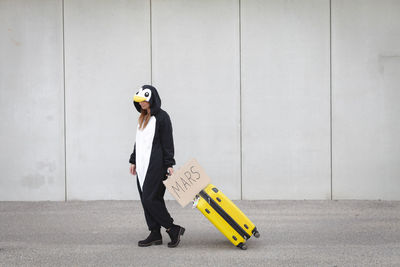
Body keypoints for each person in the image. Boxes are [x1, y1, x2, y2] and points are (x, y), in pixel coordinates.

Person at [129, 84, 185, 248]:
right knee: (146, 199)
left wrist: (169, 164)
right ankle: (154, 233)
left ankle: (172, 228)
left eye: (143, 101)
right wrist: (133, 160)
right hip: (142, 165)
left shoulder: (162, 117)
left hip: (156, 164)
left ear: (151, 99)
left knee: (150, 198)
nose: (141, 103)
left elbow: (168, 142)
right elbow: (138, 142)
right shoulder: (142, 117)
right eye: (138, 101)